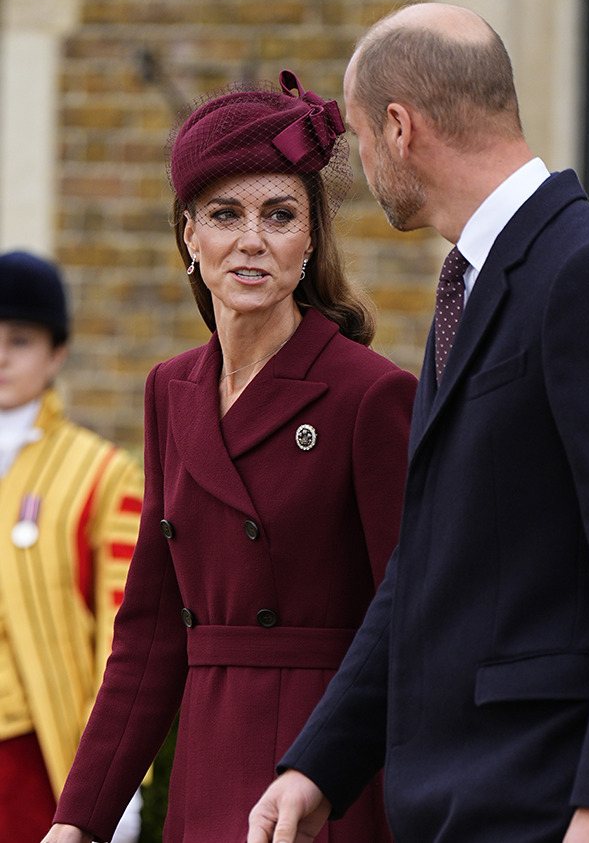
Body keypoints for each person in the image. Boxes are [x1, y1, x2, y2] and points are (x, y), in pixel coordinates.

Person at [246, 2, 589, 843]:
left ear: (399, 127)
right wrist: (319, 764)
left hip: (555, 805)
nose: (365, 165)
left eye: (361, 137)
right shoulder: (471, 284)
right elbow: (427, 558)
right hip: (459, 806)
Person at [42, 70, 417, 843]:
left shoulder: (370, 394)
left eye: (280, 215)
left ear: (310, 238)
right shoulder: (170, 389)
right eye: (224, 214)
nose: (252, 240)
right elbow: (148, 635)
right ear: (190, 235)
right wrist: (77, 821)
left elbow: (413, 616)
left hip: (324, 779)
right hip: (206, 768)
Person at [0, 250, 144, 843]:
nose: (1, 355)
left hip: (33, 756)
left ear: (56, 354)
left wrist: (119, 778)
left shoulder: (104, 474)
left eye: (20, 340)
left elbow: (122, 634)